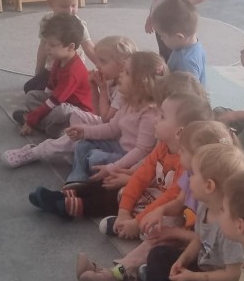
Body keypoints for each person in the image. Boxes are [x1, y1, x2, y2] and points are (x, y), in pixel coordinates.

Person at [76, 119, 236, 281]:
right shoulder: (191, 175)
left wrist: (173, 233)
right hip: (184, 230)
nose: (179, 153)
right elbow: (178, 203)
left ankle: (114, 276)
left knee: (155, 242)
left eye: (183, 151)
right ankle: (130, 269)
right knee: (158, 224)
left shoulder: (214, 201)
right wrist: (159, 211)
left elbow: (205, 240)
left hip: (198, 250)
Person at [29, 92, 211, 222]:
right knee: (114, 182)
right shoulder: (163, 146)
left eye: (162, 116)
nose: (156, 119)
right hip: (148, 191)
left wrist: (127, 210)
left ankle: (73, 206)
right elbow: (144, 173)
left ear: (179, 132)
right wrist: (129, 179)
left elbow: (170, 198)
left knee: (118, 194)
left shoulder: (186, 161)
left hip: (157, 206)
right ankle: (70, 194)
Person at [144, 142, 244, 281]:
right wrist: (183, 260)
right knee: (158, 254)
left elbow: (233, 274)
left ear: (209, 186)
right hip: (204, 266)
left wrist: (192, 276)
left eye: (192, 174)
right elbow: (199, 240)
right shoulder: (205, 206)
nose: (188, 178)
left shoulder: (230, 228)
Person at [3, 36, 135, 168]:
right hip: (110, 126)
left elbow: (106, 120)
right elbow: (98, 113)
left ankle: (36, 152)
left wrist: (103, 89)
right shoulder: (111, 80)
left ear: (122, 65)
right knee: (76, 116)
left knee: (78, 132)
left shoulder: (124, 90)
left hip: (118, 136)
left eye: (103, 61)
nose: (97, 65)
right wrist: (94, 87)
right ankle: (70, 143)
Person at [63, 51, 163, 185]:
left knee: (94, 159)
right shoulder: (128, 102)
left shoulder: (150, 113)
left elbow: (142, 151)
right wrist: (84, 131)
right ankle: (76, 180)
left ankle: (85, 183)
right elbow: (112, 128)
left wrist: (113, 168)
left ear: (142, 83)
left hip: (131, 160)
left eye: (127, 72)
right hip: (119, 147)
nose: (121, 74)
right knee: (82, 145)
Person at [14, 14, 93, 138]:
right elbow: (51, 88)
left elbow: (55, 101)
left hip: (79, 111)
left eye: (52, 45)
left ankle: (39, 122)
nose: (47, 48)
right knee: (31, 96)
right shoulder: (59, 59)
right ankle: (46, 124)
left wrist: (32, 119)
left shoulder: (74, 71)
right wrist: (41, 108)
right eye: (46, 43)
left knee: (62, 112)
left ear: (70, 47)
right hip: (60, 102)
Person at [22, 0, 98, 94]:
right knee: (29, 88)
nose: (69, 11)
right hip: (52, 69)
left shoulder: (78, 25)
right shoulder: (46, 22)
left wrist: (103, 67)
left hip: (72, 71)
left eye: (73, 5)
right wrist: (38, 73)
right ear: (51, 3)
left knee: (58, 92)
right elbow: (42, 49)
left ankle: (64, 94)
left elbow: (89, 48)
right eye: (64, 6)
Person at [150, 0, 206, 86]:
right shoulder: (196, 46)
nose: (161, 39)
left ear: (179, 37)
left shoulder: (185, 63)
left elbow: (187, 92)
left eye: (163, 36)